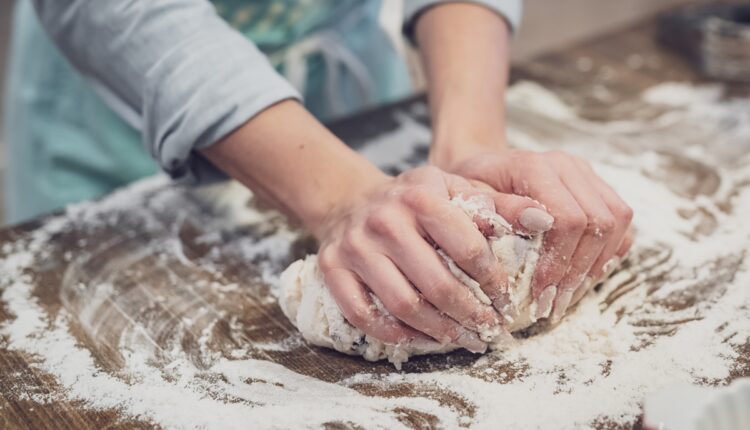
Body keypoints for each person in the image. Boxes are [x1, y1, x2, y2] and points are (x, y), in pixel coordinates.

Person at [4, 1, 633, 350]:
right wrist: (343, 195)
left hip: (349, 91)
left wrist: (468, 144)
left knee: (406, 240)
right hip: (122, 115)